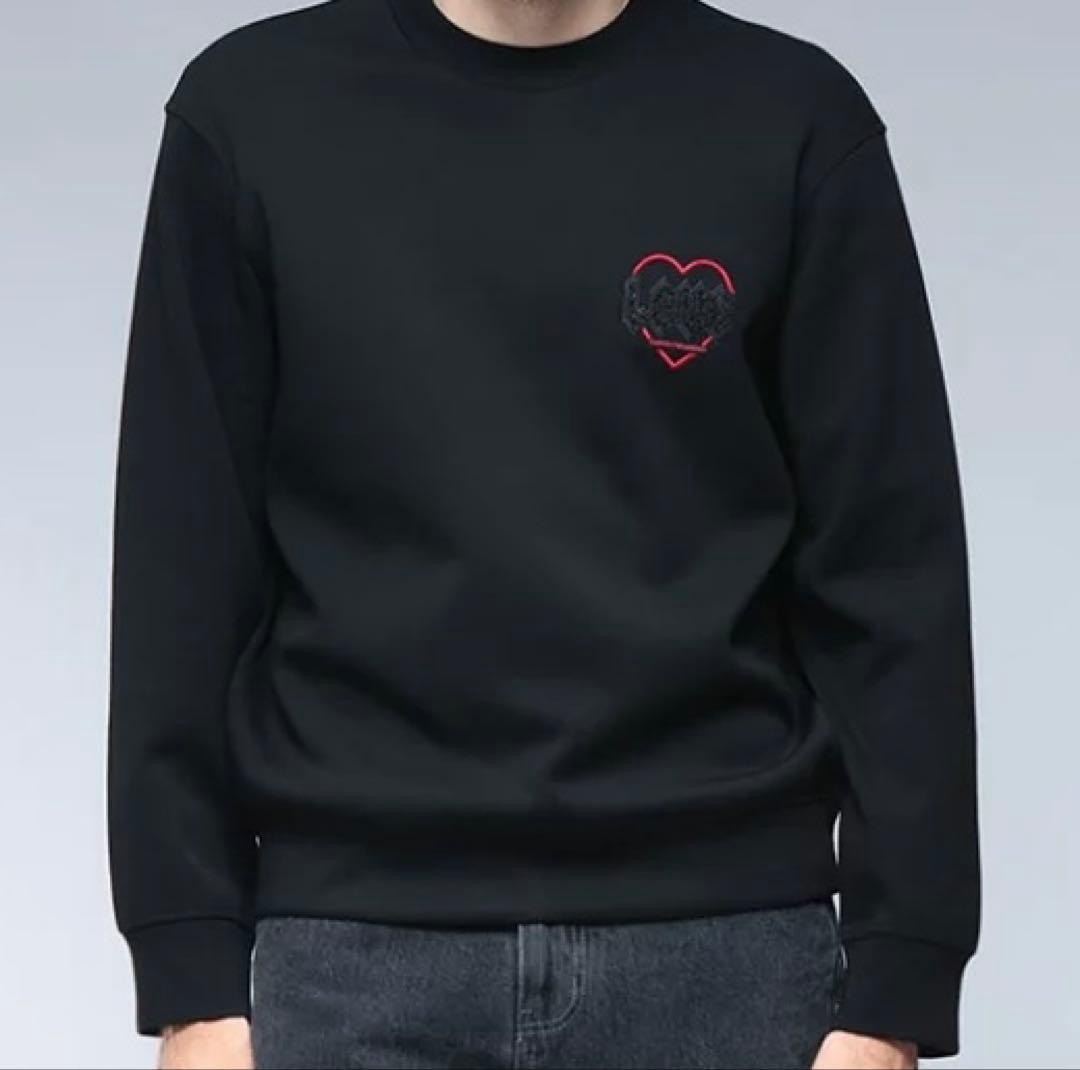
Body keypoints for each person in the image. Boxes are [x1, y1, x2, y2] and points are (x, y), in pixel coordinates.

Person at [106, 1, 981, 1067]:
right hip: (354, 967)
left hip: (730, 965)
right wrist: (189, 975)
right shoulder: (253, 110)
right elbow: (182, 561)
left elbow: (891, 565)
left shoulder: (792, 115)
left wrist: (895, 992)